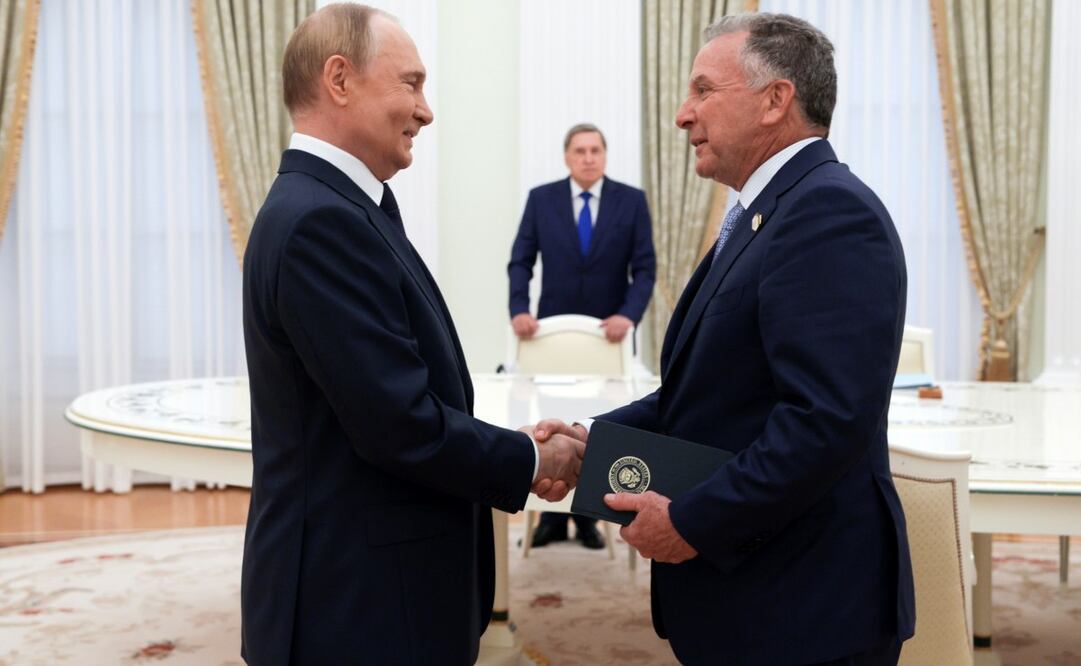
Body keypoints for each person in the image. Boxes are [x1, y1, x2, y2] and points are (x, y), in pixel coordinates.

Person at [539, 12, 914, 665]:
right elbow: (704, 395)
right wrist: (590, 442)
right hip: (758, 601)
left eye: (703, 90)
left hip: (804, 609)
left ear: (776, 100)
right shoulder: (764, 215)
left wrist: (692, 521)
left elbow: (823, 422)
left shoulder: (828, 213)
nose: (682, 115)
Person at [240, 5, 582, 664]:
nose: (426, 111)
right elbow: (397, 425)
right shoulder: (320, 223)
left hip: (373, 594)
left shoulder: (339, 207)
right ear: (339, 80)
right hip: (355, 608)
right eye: (411, 83)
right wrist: (533, 460)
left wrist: (512, 448)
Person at [508, 124, 656, 550]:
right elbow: (521, 260)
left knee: (597, 425)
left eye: (595, 150)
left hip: (606, 341)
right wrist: (519, 308)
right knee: (552, 424)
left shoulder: (631, 202)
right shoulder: (542, 199)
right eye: (580, 151)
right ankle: (550, 521)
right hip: (550, 338)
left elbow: (644, 269)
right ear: (567, 157)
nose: (588, 157)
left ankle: (588, 516)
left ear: (605, 156)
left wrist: (628, 316)